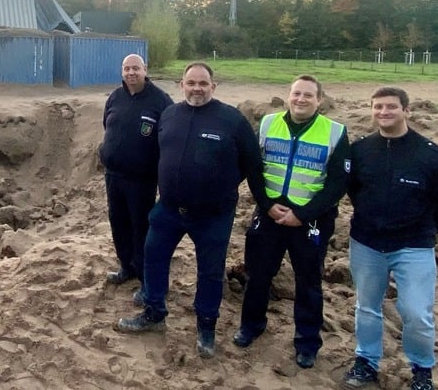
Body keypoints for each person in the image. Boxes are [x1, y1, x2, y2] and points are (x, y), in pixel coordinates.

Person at [115, 62, 263, 359]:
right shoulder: (170, 114)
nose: (197, 88)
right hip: (168, 209)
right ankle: (154, 313)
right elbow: (161, 152)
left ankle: (206, 327)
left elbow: (252, 165)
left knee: (209, 272)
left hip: (213, 215)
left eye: (203, 83)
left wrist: (222, 187)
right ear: (181, 85)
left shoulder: (231, 120)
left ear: (213, 86)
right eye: (191, 83)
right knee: (153, 258)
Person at [343, 87, 438, 390]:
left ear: (406, 111)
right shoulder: (360, 151)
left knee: (416, 312)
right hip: (367, 242)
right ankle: (366, 361)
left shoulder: (431, 154)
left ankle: (422, 370)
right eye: (378, 107)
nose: (384, 112)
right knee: (367, 307)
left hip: (414, 246)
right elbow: (353, 191)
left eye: (391, 107)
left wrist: (421, 229)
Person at [234, 75, 350, 369]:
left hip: (310, 220)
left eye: (308, 95)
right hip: (270, 214)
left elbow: (338, 184)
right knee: (258, 275)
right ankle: (251, 326)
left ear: (319, 100)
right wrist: (266, 205)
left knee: (308, 282)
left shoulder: (335, 132)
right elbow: (254, 170)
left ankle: (307, 343)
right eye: (296, 93)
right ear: (288, 95)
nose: (301, 99)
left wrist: (303, 214)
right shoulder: (268, 124)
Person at [99, 54, 172, 296]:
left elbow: (170, 138)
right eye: (127, 69)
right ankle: (126, 267)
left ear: (145, 70)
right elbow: (106, 125)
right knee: (118, 223)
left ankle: (144, 277)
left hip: (142, 180)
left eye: (136, 68)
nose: (131, 73)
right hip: (114, 176)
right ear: (122, 71)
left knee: (140, 227)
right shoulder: (115, 97)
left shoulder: (160, 100)